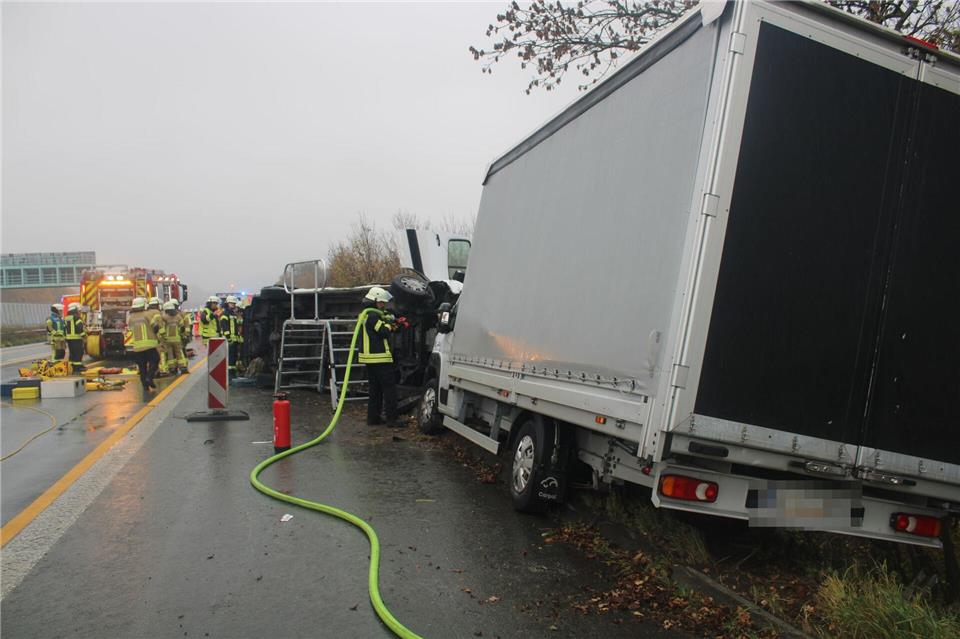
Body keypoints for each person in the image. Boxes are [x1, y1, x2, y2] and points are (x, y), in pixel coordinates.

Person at [358, 287, 402, 427]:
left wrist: (394, 324)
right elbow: (383, 331)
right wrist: (390, 323)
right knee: (389, 389)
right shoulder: (372, 315)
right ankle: (392, 419)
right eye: (381, 302)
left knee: (375, 390)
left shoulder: (366, 314)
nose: (383, 305)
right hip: (379, 358)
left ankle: (373, 418)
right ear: (374, 300)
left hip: (370, 359)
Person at [128, 297, 162, 391]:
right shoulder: (147, 315)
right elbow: (155, 327)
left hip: (137, 347)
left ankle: (145, 385)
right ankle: (149, 378)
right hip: (149, 345)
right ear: (144, 305)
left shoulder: (131, 318)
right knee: (155, 361)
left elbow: (130, 330)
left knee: (142, 367)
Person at [158, 300, 189, 375]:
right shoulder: (178, 316)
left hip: (167, 339)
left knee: (170, 354)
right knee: (179, 353)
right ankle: (183, 368)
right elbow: (182, 327)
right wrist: (183, 335)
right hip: (177, 339)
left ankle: (172, 368)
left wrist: (163, 337)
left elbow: (161, 328)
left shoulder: (164, 317)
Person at [219, 295, 241, 375]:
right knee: (230, 358)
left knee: (234, 357)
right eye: (232, 303)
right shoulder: (225, 314)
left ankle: (233, 372)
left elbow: (235, 327)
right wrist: (229, 338)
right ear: (227, 303)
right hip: (228, 340)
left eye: (234, 304)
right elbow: (225, 327)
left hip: (234, 340)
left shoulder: (233, 314)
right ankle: (229, 374)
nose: (233, 305)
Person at [64, 302, 86, 371]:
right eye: (79, 311)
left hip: (69, 339)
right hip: (77, 338)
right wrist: (84, 336)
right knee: (79, 353)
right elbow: (79, 328)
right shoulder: (77, 318)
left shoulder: (67, 317)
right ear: (76, 309)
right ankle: (77, 367)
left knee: (72, 353)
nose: (79, 312)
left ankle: (71, 367)